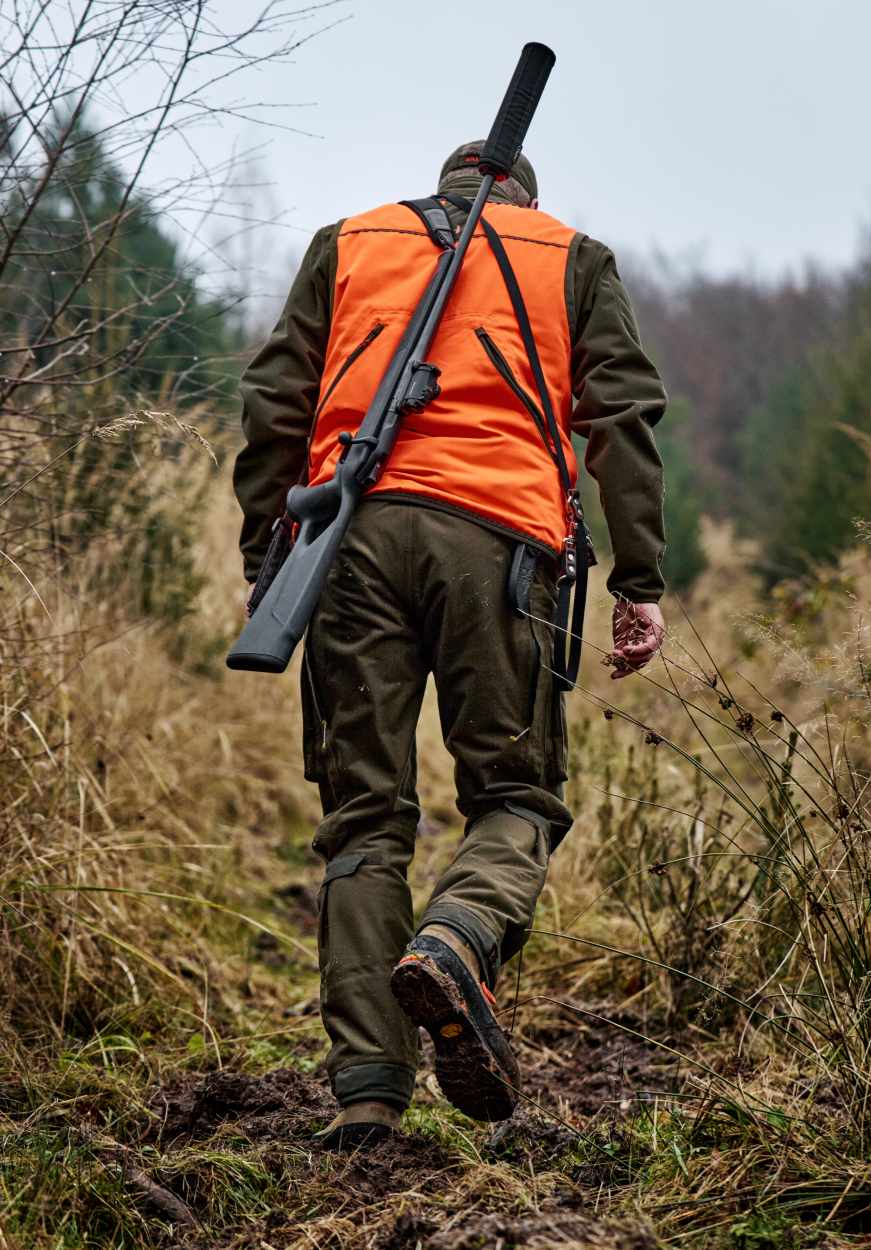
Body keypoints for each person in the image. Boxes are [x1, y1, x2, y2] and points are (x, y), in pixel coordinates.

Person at [233, 142, 667, 1150]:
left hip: (347, 540)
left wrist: (268, 547)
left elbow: (272, 403)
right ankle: (456, 938)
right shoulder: (574, 257)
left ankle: (368, 1093)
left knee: (363, 820)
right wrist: (639, 578)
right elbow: (621, 422)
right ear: (524, 195)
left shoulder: (348, 242)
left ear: (447, 183)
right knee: (514, 794)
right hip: (501, 544)